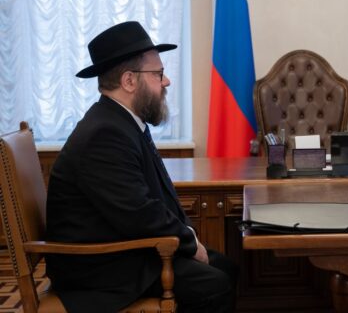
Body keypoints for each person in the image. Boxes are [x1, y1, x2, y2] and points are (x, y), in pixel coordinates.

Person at [46, 21, 237, 313]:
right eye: (158, 74)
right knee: (215, 283)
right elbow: (140, 214)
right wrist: (190, 243)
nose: (166, 81)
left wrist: (189, 238)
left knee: (226, 267)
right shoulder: (104, 134)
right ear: (129, 81)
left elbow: (153, 201)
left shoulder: (120, 122)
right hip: (100, 269)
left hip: (124, 250)